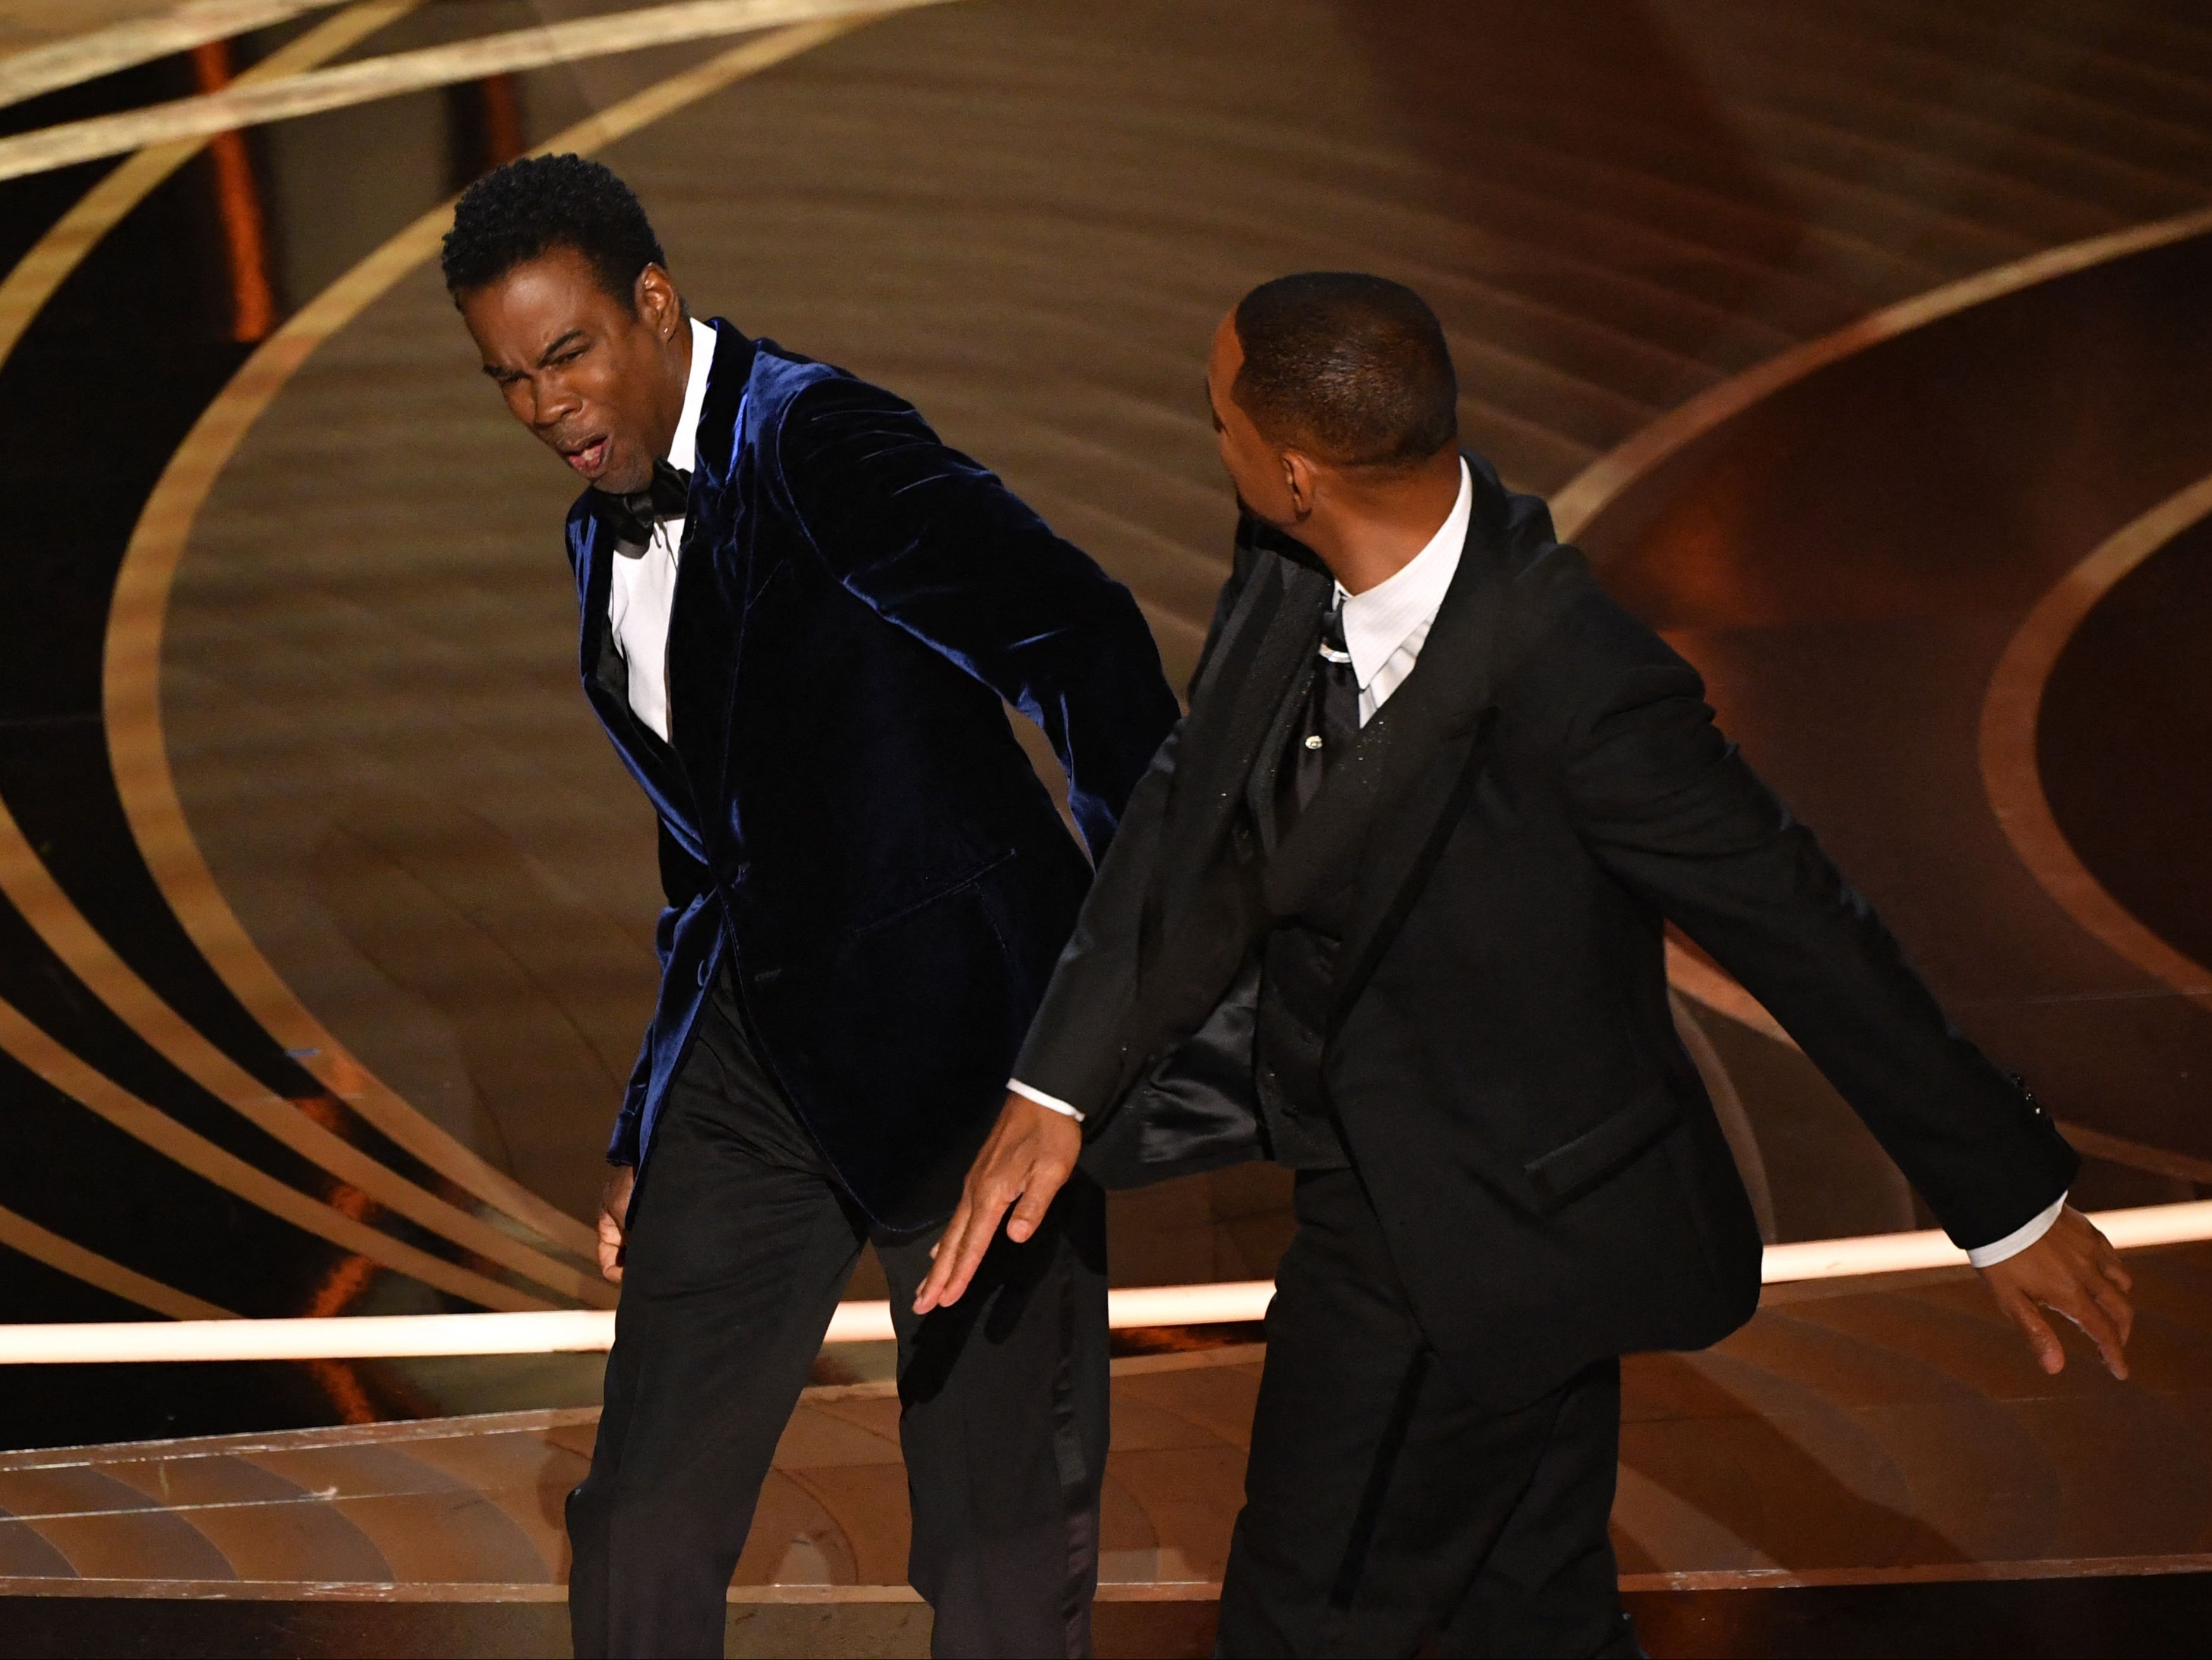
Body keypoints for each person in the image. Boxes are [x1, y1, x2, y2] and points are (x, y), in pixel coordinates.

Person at [916, 272, 2137, 1658]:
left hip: (1475, 1230)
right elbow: (1194, 803)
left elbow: (1799, 927)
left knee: (1300, 1624)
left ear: (1299, 471)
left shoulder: (1579, 685)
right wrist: (1062, 1082)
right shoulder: (1285, 560)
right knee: (1531, 1615)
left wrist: (2007, 1203)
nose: (1215, 439)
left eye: (1221, 421)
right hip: (1424, 1202)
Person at [441, 154, 1180, 1659]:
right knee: (640, 1514)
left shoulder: (818, 444)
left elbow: (1086, 646)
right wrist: (652, 1117)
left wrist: (1104, 1006)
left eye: (568, 354)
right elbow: (706, 844)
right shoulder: (600, 530)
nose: (547, 409)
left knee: (991, 1541)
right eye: (508, 379)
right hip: (759, 1060)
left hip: (969, 1072)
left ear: (652, 304)